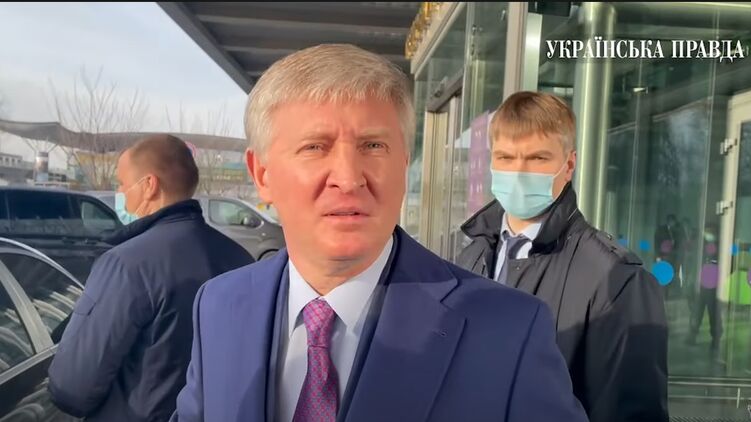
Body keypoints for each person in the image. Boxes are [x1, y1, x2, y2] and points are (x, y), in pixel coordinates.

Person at [171, 45, 587, 422]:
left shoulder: (507, 330)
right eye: (315, 147)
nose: (349, 178)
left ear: (404, 164)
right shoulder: (219, 306)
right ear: (261, 173)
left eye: (373, 146)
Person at [457, 91, 668, 422]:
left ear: (568, 165)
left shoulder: (615, 279)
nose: (519, 171)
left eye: (538, 158)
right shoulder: (470, 258)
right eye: (505, 157)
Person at [48, 134, 254, 421]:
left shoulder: (126, 264)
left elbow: (71, 388)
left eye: (122, 184)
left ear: (149, 186)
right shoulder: (241, 260)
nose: (120, 193)